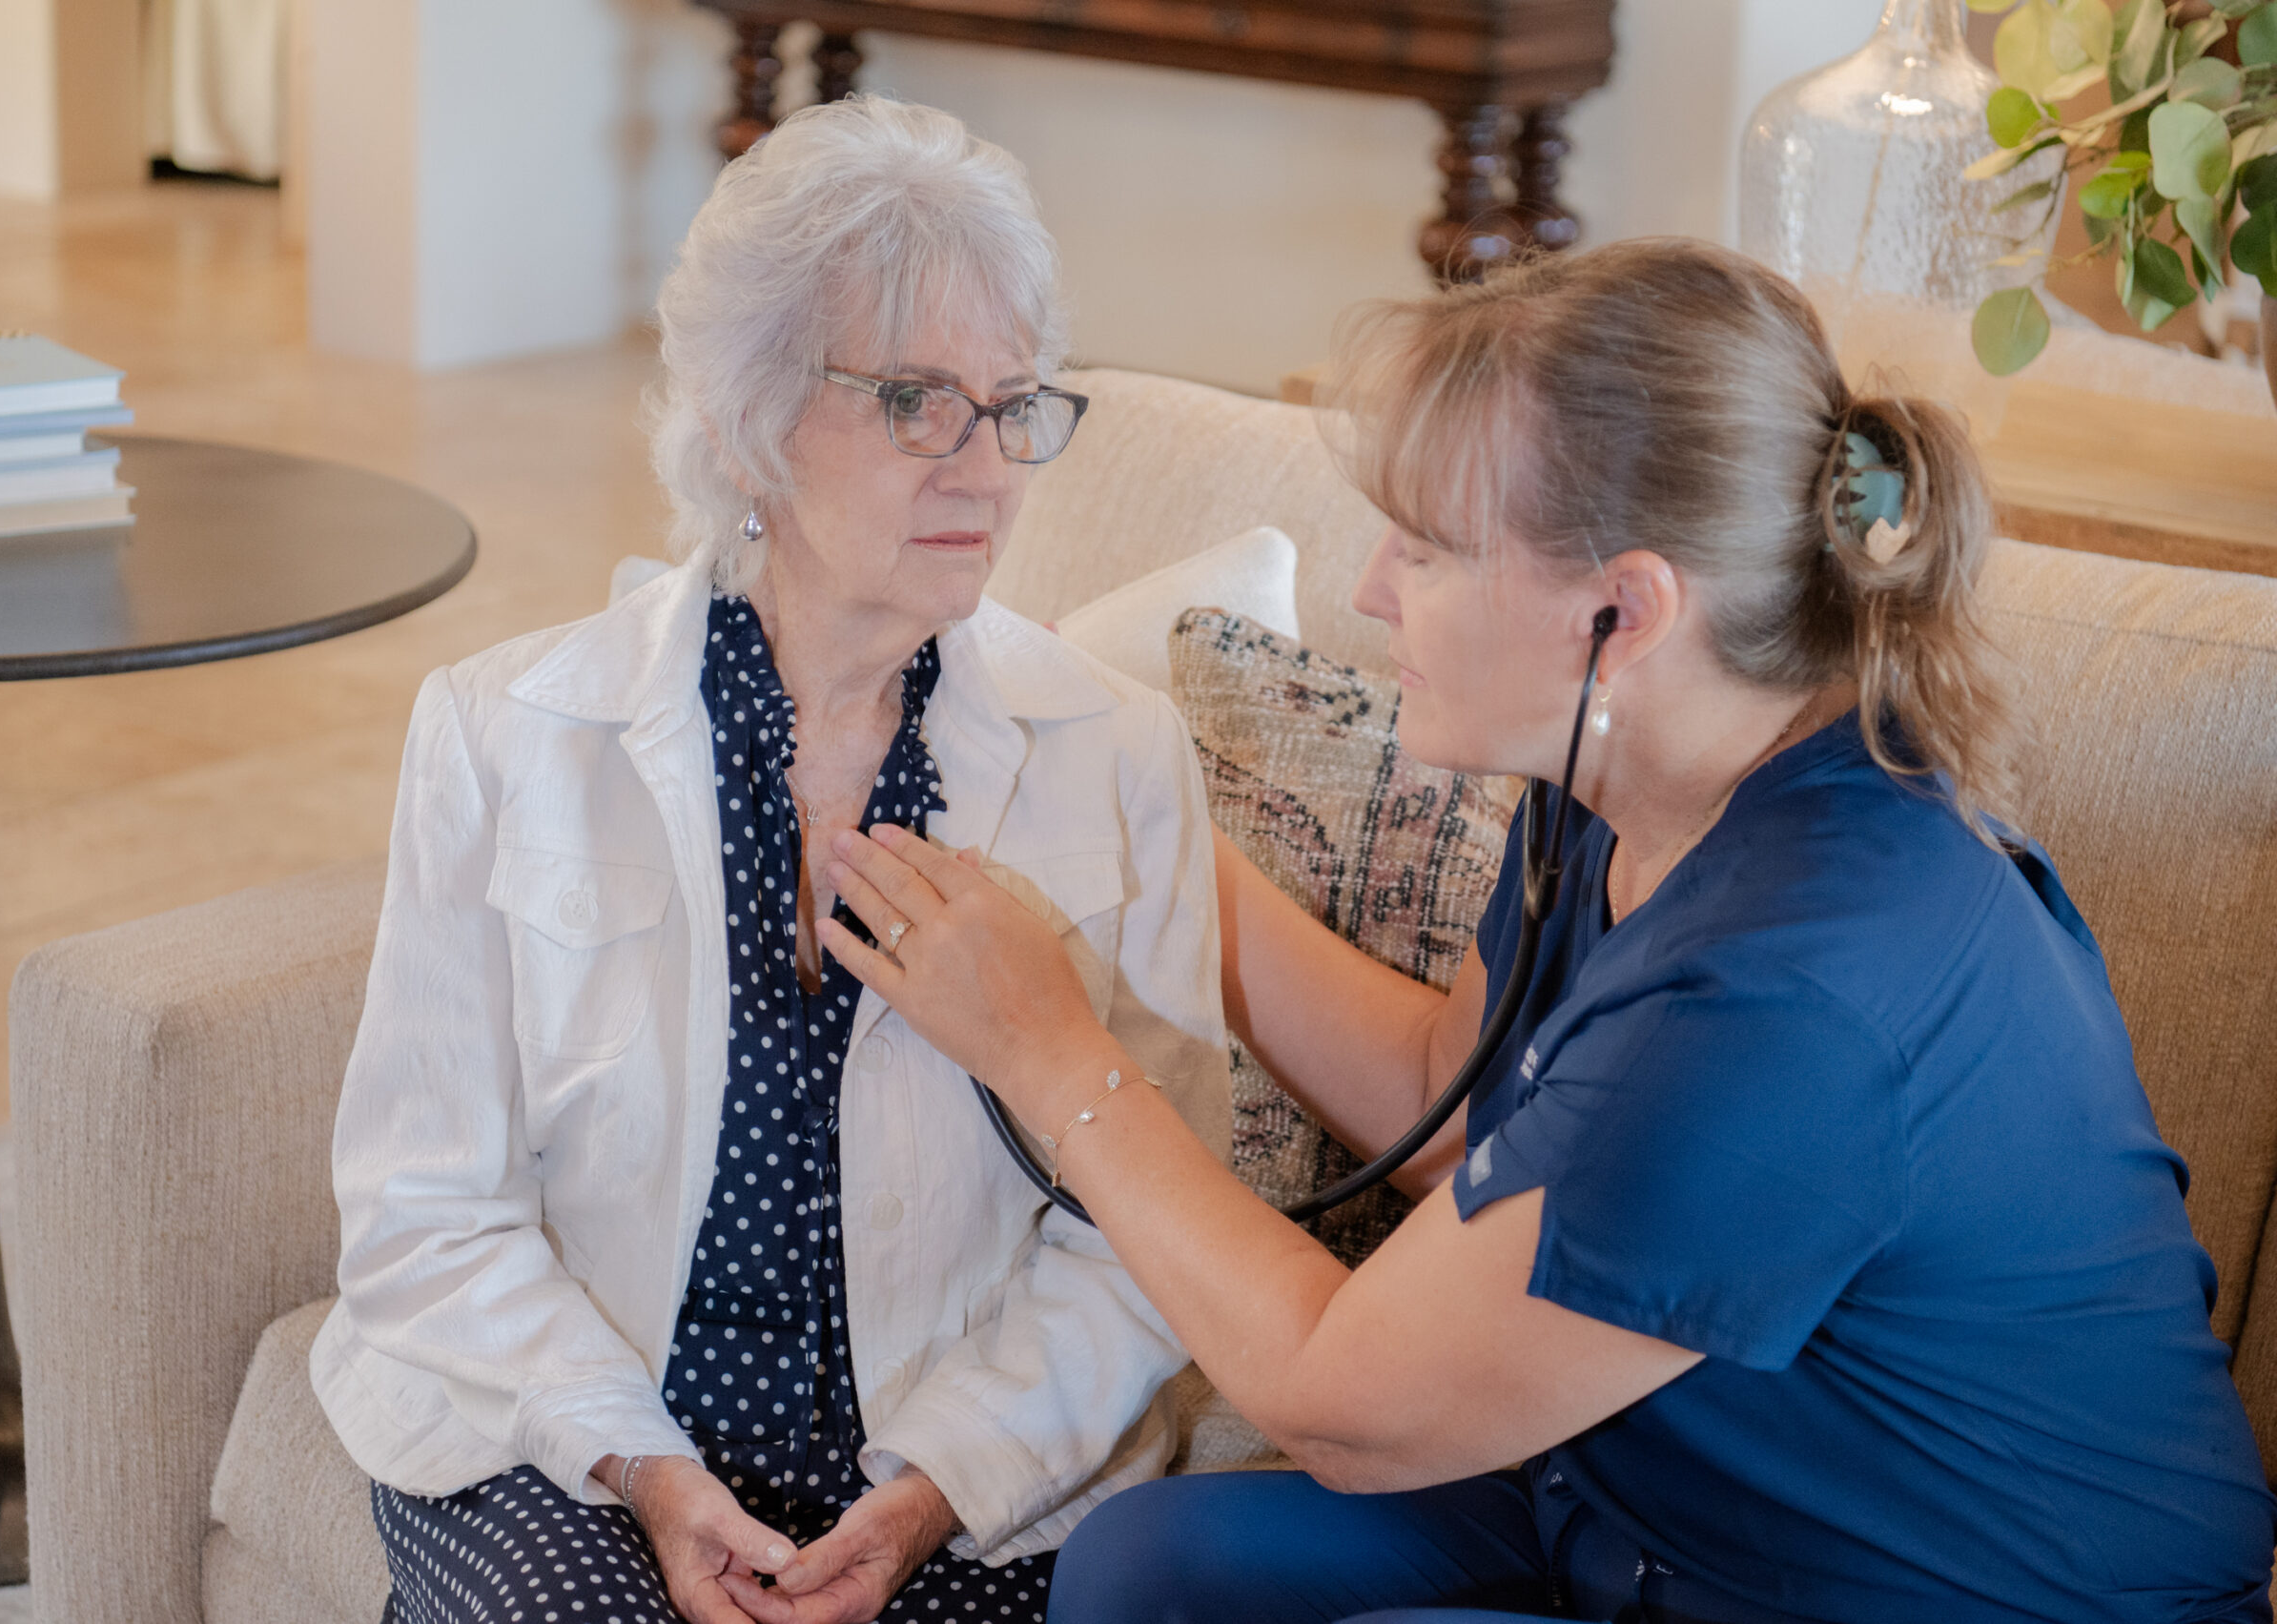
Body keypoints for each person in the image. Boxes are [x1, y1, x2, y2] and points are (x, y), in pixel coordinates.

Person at [813, 237, 2277, 1623]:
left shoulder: (1801, 999)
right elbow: (1455, 1104)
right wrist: (1164, 857)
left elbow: (1342, 1403)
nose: (1373, 588)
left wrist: (1045, 1050)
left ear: (1625, 615)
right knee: (1159, 1568)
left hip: (1905, 1591)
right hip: (1660, 1506)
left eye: (1430, 550)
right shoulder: (1637, 783)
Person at [309, 95, 1229, 1624]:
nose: (985, 467)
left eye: (1012, 407)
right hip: (577, 1445)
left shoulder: (1120, 754)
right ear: (745, 419)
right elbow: (423, 1213)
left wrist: (938, 1484)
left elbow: (1148, 1224)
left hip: (958, 1477)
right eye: (916, 401)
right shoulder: (503, 732)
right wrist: (649, 1471)